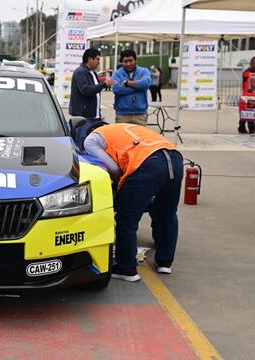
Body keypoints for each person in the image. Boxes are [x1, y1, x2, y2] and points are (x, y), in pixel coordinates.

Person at [84, 123, 183, 281]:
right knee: (167, 214)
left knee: (126, 220)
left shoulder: (92, 139)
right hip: (175, 159)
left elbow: (114, 169)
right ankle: (165, 262)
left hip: (147, 164)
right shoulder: (128, 129)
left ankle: (126, 269)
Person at [69, 48, 115, 148]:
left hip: (93, 116)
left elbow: (94, 91)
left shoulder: (92, 72)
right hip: (84, 117)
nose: (99, 62)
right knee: (81, 145)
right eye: (97, 59)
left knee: (91, 145)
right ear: (90, 59)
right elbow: (85, 90)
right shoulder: (80, 72)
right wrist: (104, 85)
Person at [112, 50, 151, 126]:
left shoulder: (144, 71)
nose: (128, 63)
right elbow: (116, 89)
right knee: (122, 138)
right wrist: (139, 86)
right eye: (125, 61)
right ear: (121, 62)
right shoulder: (117, 73)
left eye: (131, 60)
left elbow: (146, 83)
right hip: (122, 115)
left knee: (140, 138)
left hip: (140, 115)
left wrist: (127, 83)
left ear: (136, 60)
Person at [240, 57, 255, 134]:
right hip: (248, 94)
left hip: (254, 93)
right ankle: (251, 129)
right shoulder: (247, 73)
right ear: (252, 64)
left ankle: (241, 128)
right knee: (249, 111)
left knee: (245, 112)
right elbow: (248, 85)